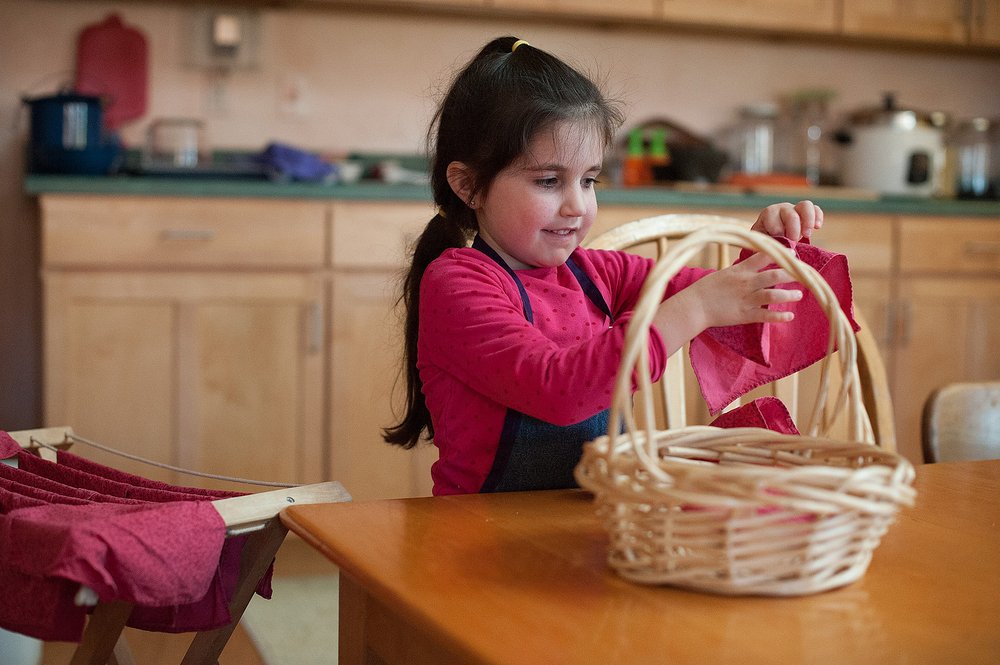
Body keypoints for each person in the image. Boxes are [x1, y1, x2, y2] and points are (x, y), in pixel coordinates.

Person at [383, 36, 824, 495]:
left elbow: (734, 302)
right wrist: (691, 310)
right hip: (476, 535)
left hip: (589, 524)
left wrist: (766, 250)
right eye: (550, 181)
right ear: (469, 185)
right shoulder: (458, 284)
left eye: (589, 180)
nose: (577, 205)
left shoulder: (600, 275)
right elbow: (557, 387)